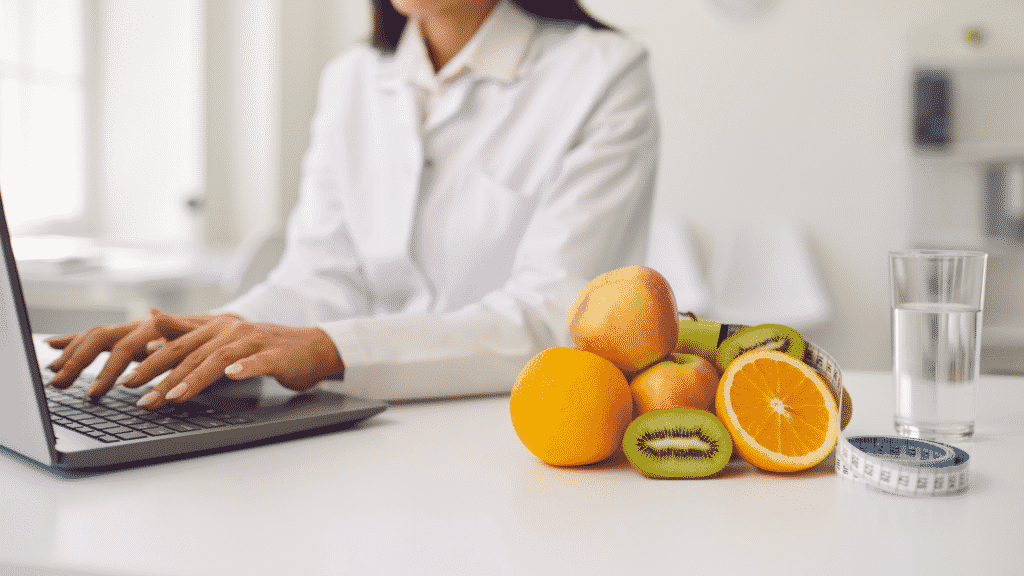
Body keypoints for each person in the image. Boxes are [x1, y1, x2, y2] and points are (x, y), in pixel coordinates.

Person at [45, 0, 659, 410]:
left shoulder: (602, 73)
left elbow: (558, 315)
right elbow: (319, 277)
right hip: (355, 420)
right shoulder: (353, 79)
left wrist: (334, 350)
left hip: (511, 424)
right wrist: (213, 342)